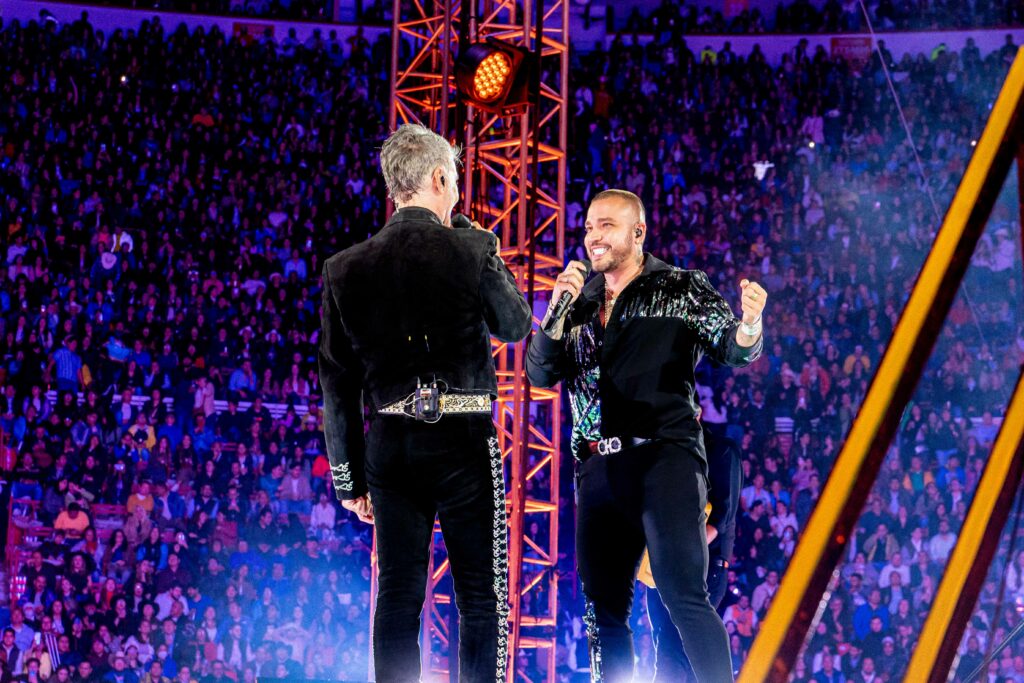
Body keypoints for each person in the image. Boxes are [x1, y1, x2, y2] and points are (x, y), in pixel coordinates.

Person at [318, 123, 532, 681]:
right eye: (455, 180)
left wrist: (349, 481)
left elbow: (336, 384)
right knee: (481, 598)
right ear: (440, 177)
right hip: (462, 440)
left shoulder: (343, 268)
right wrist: (470, 237)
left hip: (390, 445)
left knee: (397, 596)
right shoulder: (471, 245)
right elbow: (514, 324)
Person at [526, 189, 766, 682]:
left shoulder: (679, 287)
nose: (594, 236)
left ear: (638, 233)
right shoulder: (578, 304)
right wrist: (555, 310)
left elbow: (731, 347)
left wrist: (750, 325)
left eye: (607, 226)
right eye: (590, 226)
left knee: (684, 596)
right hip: (597, 467)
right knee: (605, 612)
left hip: (666, 458)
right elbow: (539, 372)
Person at [644, 422, 743, 681]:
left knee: (672, 647)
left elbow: (721, 518)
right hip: (663, 565)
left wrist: (682, 549)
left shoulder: (721, 451)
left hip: (705, 566)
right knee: (668, 645)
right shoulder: (666, 452)